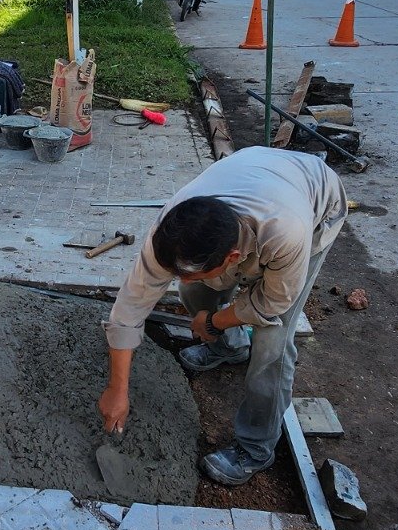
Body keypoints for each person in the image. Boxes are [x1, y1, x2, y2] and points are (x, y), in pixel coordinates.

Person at [98, 147, 347, 485]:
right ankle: (228, 348)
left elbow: (271, 303)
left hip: (316, 201)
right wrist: (117, 388)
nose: (181, 277)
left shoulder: (287, 233)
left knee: (272, 344)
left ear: (232, 258)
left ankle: (255, 448)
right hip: (258, 173)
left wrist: (214, 321)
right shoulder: (169, 232)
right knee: (193, 293)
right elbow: (129, 308)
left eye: (194, 271)